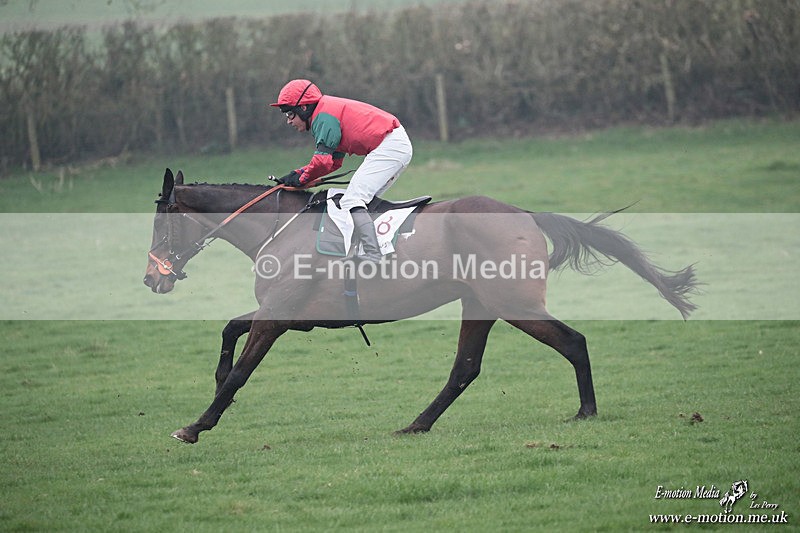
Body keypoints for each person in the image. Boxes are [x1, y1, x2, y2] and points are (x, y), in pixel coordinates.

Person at [270, 79, 413, 262]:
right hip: (393, 145)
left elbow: (322, 163)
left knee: (353, 199)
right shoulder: (326, 112)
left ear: (303, 108)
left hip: (389, 146)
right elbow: (333, 163)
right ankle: (373, 248)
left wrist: (301, 179)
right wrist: (298, 174)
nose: (289, 121)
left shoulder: (323, 118)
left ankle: (372, 254)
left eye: (290, 114)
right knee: (361, 201)